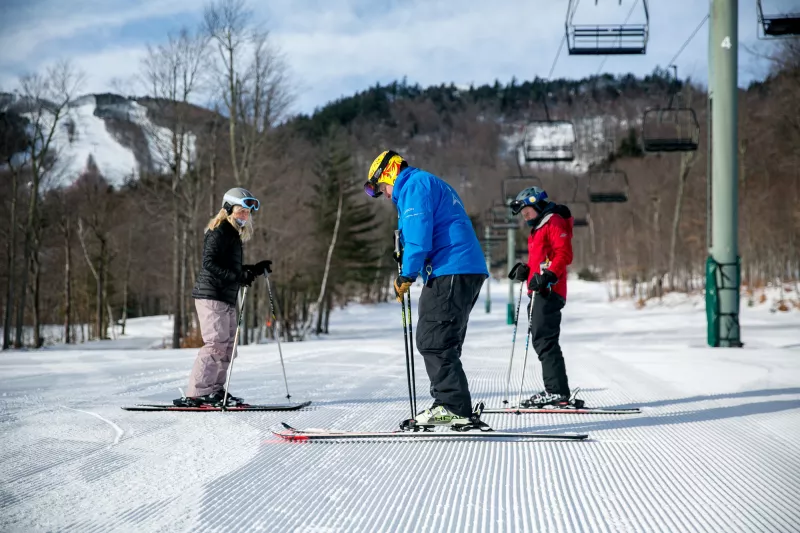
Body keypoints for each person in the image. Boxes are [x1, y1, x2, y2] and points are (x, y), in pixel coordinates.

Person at [364, 150, 489, 427]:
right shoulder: (424, 183)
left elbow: (419, 236)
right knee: (443, 339)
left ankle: (453, 406)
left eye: (381, 187)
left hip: (451, 268)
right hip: (459, 268)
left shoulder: (413, 185)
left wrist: (407, 274)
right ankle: (452, 404)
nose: (384, 194)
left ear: (389, 172)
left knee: (433, 339)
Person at [173, 187, 272, 407]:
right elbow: (210, 263)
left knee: (228, 347)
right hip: (212, 295)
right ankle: (198, 392)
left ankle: (215, 390)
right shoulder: (218, 231)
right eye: (241, 210)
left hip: (225, 296)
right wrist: (238, 276)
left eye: (247, 212)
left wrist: (252, 270)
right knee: (215, 344)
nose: (244, 215)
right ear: (228, 208)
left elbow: (229, 267)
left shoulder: (233, 233)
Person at [508, 186, 576, 407]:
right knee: (542, 339)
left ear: (537, 203)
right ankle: (557, 391)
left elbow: (563, 254)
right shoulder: (539, 227)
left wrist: (548, 276)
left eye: (527, 211)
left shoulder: (553, 221)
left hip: (549, 290)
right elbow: (542, 258)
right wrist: (528, 270)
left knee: (544, 340)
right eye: (523, 214)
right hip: (539, 290)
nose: (525, 216)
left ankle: (556, 391)